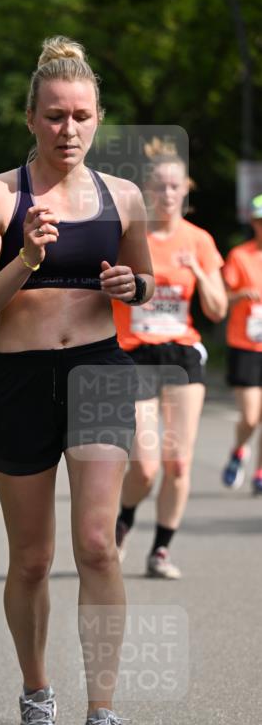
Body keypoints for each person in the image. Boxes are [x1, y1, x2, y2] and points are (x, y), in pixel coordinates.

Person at [0, 36, 154, 725]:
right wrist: (27, 260)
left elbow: (146, 282)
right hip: (17, 377)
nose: (67, 130)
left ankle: (102, 716)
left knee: (97, 544)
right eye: (53, 116)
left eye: (80, 116)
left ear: (97, 118)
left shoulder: (122, 197)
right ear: (30, 119)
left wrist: (132, 289)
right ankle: (36, 698)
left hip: (98, 368)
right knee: (33, 559)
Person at [113, 139, 227, 578]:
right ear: (147, 189)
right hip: (135, 353)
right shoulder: (129, 235)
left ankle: (160, 550)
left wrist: (198, 271)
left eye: (175, 186)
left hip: (182, 352)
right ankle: (124, 518)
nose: (167, 194)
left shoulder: (199, 241)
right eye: (160, 186)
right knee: (144, 465)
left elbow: (217, 309)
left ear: (186, 191)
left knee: (179, 462)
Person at [220, 193, 262, 495]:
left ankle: (260, 473)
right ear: (254, 222)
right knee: (250, 416)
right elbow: (220, 299)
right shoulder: (240, 255)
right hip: (245, 344)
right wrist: (242, 293)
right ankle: (238, 450)